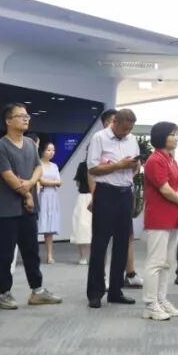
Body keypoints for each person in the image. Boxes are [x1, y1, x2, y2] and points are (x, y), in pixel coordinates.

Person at [0, 104, 62, 310]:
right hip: (7, 210)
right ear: (8, 121)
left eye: (27, 115)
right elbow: (8, 176)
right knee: (6, 253)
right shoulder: (0, 147)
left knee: (31, 250)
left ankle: (37, 291)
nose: (26, 119)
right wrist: (27, 194)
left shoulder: (30, 143)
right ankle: (4, 294)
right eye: (20, 116)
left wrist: (29, 184)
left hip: (28, 209)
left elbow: (38, 167)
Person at [86, 108, 140, 308]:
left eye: (130, 129)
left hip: (125, 193)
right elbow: (92, 168)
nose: (127, 132)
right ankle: (95, 292)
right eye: (124, 129)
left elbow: (136, 165)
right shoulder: (99, 138)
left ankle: (116, 291)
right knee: (100, 244)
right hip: (106, 193)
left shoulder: (132, 139)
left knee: (122, 245)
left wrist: (133, 167)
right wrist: (118, 166)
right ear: (114, 122)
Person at [141, 121, 178, 321]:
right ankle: (150, 304)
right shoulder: (155, 160)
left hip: (172, 217)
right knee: (155, 262)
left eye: (177, 134)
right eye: (172, 134)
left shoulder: (171, 160)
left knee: (168, 263)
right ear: (162, 136)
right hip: (158, 217)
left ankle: (161, 300)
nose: (177, 137)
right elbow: (165, 189)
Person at [73, 110, 116, 265]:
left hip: (99, 195)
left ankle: (96, 257)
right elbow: (80, 182)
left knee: (98, 229)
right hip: (85, 197)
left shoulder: (106, 163)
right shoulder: (83, 166)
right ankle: (82, 256)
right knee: (82, 228)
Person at [37, 141, 63, 264]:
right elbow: (41, 181)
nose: (51, 152)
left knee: (50, 229)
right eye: (49, 150)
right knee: (38, 223)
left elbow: (60, 182)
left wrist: (48, 182)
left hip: (52, 197)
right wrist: (52, 182)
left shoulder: (54, 166)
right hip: (41, 196)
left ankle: (49, 255)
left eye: (53, 150)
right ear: (42, 151)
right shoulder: (38, 164)